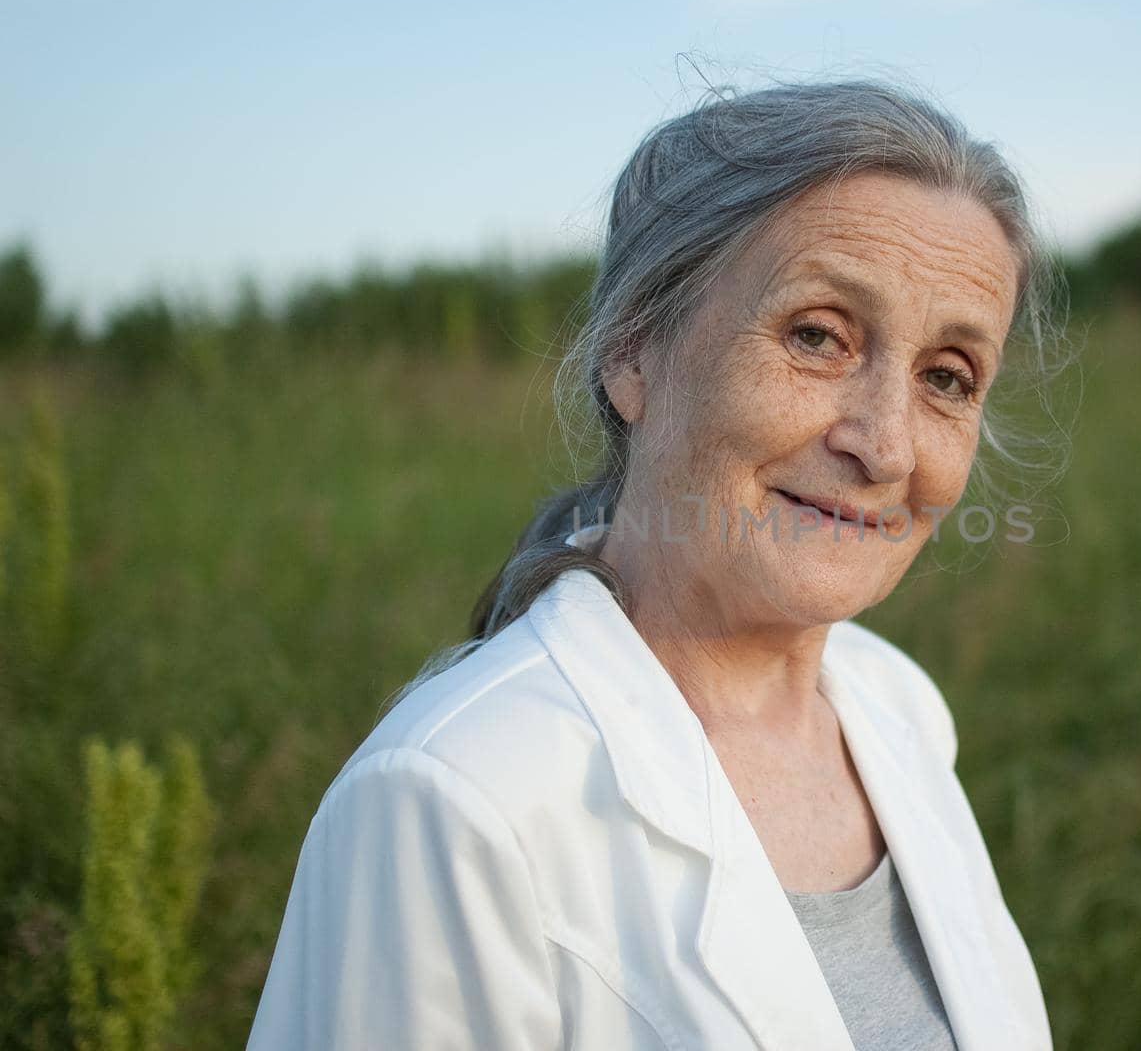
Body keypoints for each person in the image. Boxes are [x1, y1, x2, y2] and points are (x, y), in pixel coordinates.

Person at [247, 77, 1060, 1050]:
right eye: (816, 335)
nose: (885, 445)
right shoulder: (452, 799)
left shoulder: (900, 711)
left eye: (945, 377)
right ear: (633, 349)